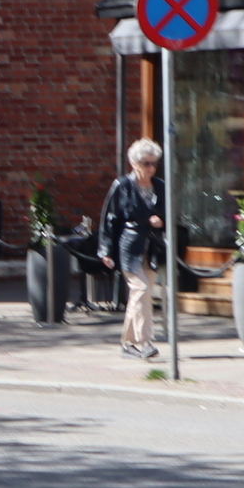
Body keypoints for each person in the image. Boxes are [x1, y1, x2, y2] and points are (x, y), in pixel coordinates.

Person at [99, 139, 167, 359]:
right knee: (141, 289)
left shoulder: (160, 186)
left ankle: (128, 344)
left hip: (152, 247)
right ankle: (145, 342)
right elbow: (110, 219)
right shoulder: (123, 186)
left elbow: (170, 214)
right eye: (146, 163)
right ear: (135, 163)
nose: (151, 168)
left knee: (142, 296)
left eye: (154, 163)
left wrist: (161, 220)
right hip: (129, 247)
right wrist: (105, 251)